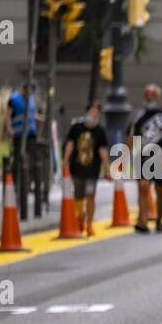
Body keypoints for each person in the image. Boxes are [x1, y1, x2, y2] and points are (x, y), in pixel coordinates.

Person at [128, 84, 162, 234]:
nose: (150, 97)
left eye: (153, 95)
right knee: (143, 186)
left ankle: (159, 220)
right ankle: (142, 220)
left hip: (160, 155)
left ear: (158, 97)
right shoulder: (138, 115)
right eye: (147, 94)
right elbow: (131, 137)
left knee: (160, 190)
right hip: (143, 155)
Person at [62, 101, 109, 236]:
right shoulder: (76, 128)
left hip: (92, 170)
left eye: (96, 112)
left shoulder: (100, 131)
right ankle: (80, 218)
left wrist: (106, 168)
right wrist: (65, 161)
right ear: (87, 112)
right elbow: (70, 145)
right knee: (78, 195)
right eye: (92, 111)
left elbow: (103, 151)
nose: (94, 114)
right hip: (77, 168)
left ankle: (89, 224)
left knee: (90, 195)